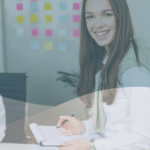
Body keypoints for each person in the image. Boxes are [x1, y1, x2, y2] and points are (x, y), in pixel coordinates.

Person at [57, 0, 150, 149]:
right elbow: (114, 125)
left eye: (107, 14)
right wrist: (83, 127)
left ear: (121, 17)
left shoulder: (133, 70)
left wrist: (92, 145)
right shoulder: (109, 61)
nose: (97, 24)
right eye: (90, 17)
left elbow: (144, 136)